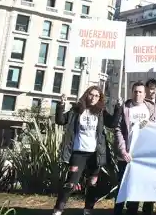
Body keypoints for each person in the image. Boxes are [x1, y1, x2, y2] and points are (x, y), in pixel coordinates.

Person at [51, 87, 120, 215]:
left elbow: (113, 123)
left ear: (99, 98)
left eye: (96, 96)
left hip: (95, 154)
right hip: (78, 153)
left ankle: (88, 210)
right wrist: (61, 105)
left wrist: (118, 108)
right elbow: (60, 120)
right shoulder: (77, 110)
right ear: (86, 95)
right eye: (91, 95)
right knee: (70, 184)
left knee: (92, 184)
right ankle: (58, 210)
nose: (93, 98)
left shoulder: (101, 112)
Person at [113, 81, 156, 215]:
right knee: (122, 188)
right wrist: (123, 151)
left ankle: (132, 211)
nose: (137, 94)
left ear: (144, 94)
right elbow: (118, 130)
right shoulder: (125, 107)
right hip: (126, 156)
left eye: (140, 92)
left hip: (143, 157)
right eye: (135, 91)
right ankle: (117, 211)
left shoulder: (151, 108)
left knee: (137, 188)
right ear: (131, 92)